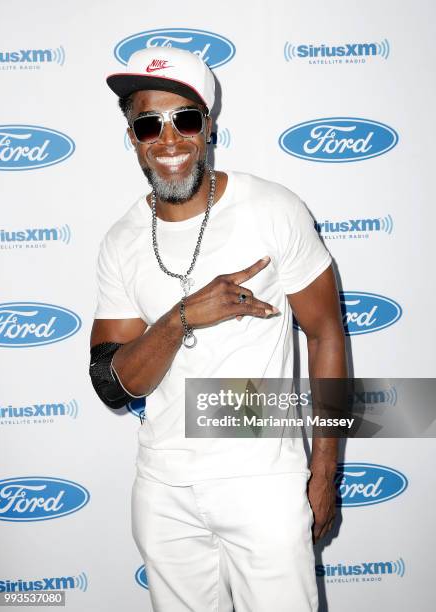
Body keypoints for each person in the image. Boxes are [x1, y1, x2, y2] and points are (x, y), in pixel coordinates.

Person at [90, 46, 346, 612]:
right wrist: (185, 315)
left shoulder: (273, 209)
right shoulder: (121, 240)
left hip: (262, 481)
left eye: (184, 119)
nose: (169, 140)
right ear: (132, 138)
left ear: (208, 126)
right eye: (148, 124)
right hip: (163, 491)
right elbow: (111, 382)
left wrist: (325, 469)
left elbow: (327, 334)